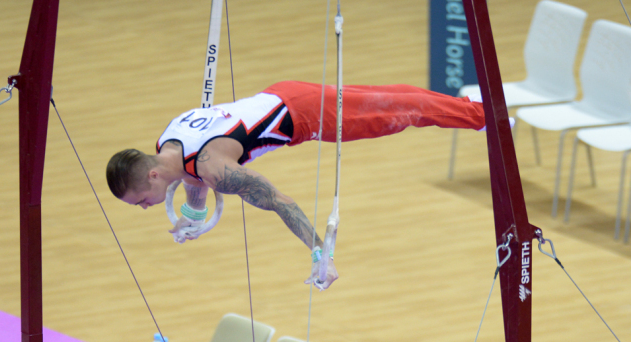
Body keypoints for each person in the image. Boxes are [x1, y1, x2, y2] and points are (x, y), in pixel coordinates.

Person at [106, 81, 486, 290]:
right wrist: (192, 215)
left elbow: (279, 201)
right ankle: (470, 107)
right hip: (280, 95)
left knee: (395, 112)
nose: (144, 207)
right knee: (393, 103)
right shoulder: (166, 145)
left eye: (140, 201)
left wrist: (321, 254)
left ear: (153, 176)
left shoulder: (213, 168)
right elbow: (193, 180)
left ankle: (479, 114)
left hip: (305, 114)